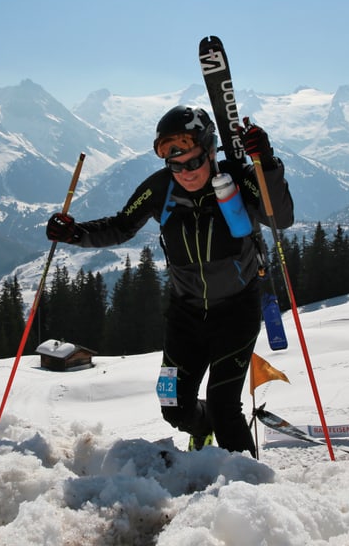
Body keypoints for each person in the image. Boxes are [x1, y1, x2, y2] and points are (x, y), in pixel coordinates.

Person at [45, 105, 294, 457]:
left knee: (226, 408)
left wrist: (266, 162)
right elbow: (121, 225)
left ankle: (251, 494)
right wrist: (74, 234)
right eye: (174, 165)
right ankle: (201, 427)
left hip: (238, 311)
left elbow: (280, 217)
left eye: (192, 162)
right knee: (172, 404)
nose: (185, 173)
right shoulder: (161, 188)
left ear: (210, 151)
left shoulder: (239, 179)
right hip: (185, 316)